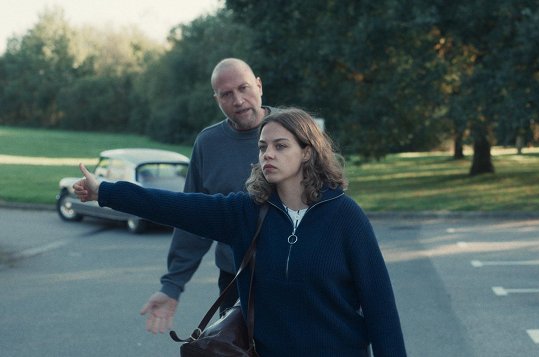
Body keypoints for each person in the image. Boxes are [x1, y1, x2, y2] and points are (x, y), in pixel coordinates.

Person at [73, 108, 407, 356]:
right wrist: (105, 191)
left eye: (280, 146)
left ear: (307, 152)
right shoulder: (245, 211)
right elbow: (175, 205)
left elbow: (381, 308)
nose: (268, 155)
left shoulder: (345, 216)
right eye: (263, 148)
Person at [139, 58, 275, 334]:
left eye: (244, 88)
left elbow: (327, 203)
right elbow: (193, 219)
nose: (238, 100)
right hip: (235, 279)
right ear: (217, 99)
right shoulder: (208, 143)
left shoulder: (293, 129)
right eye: (226, 94)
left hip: (294, 273)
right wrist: (172, 285)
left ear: (259, 86)